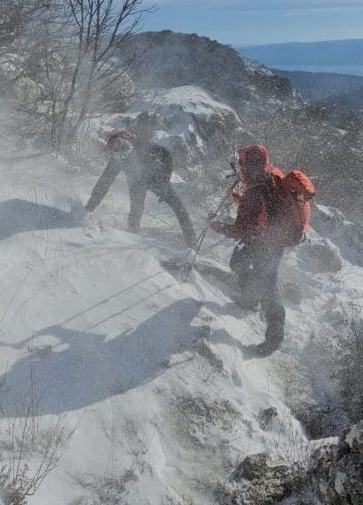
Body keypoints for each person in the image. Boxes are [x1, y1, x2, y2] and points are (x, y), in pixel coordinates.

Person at [207, 144, 288, 356]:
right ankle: (250, 300)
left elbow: (239, 230)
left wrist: (214, 226)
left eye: (241, 164)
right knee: (238, 262)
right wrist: (238, 199)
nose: (239, 168)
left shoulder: (254, 191)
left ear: (248, 166)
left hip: (266, 245)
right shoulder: (267, 180)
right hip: (267, 240)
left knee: (268, 289)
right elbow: (261, 209)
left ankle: (274, 340)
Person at [84, 113, 197, 249]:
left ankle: (192, 245)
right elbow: (104, 183)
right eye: (119, 155)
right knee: (136, 211)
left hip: (157, 180)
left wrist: (165, 179)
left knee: (180, 210)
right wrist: (88, 208)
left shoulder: (143, 146)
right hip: (137, 184)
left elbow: (167, 155)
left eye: (126, 155)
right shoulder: (115, 160)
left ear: (130, 147)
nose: (123, 158)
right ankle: (133, 237)